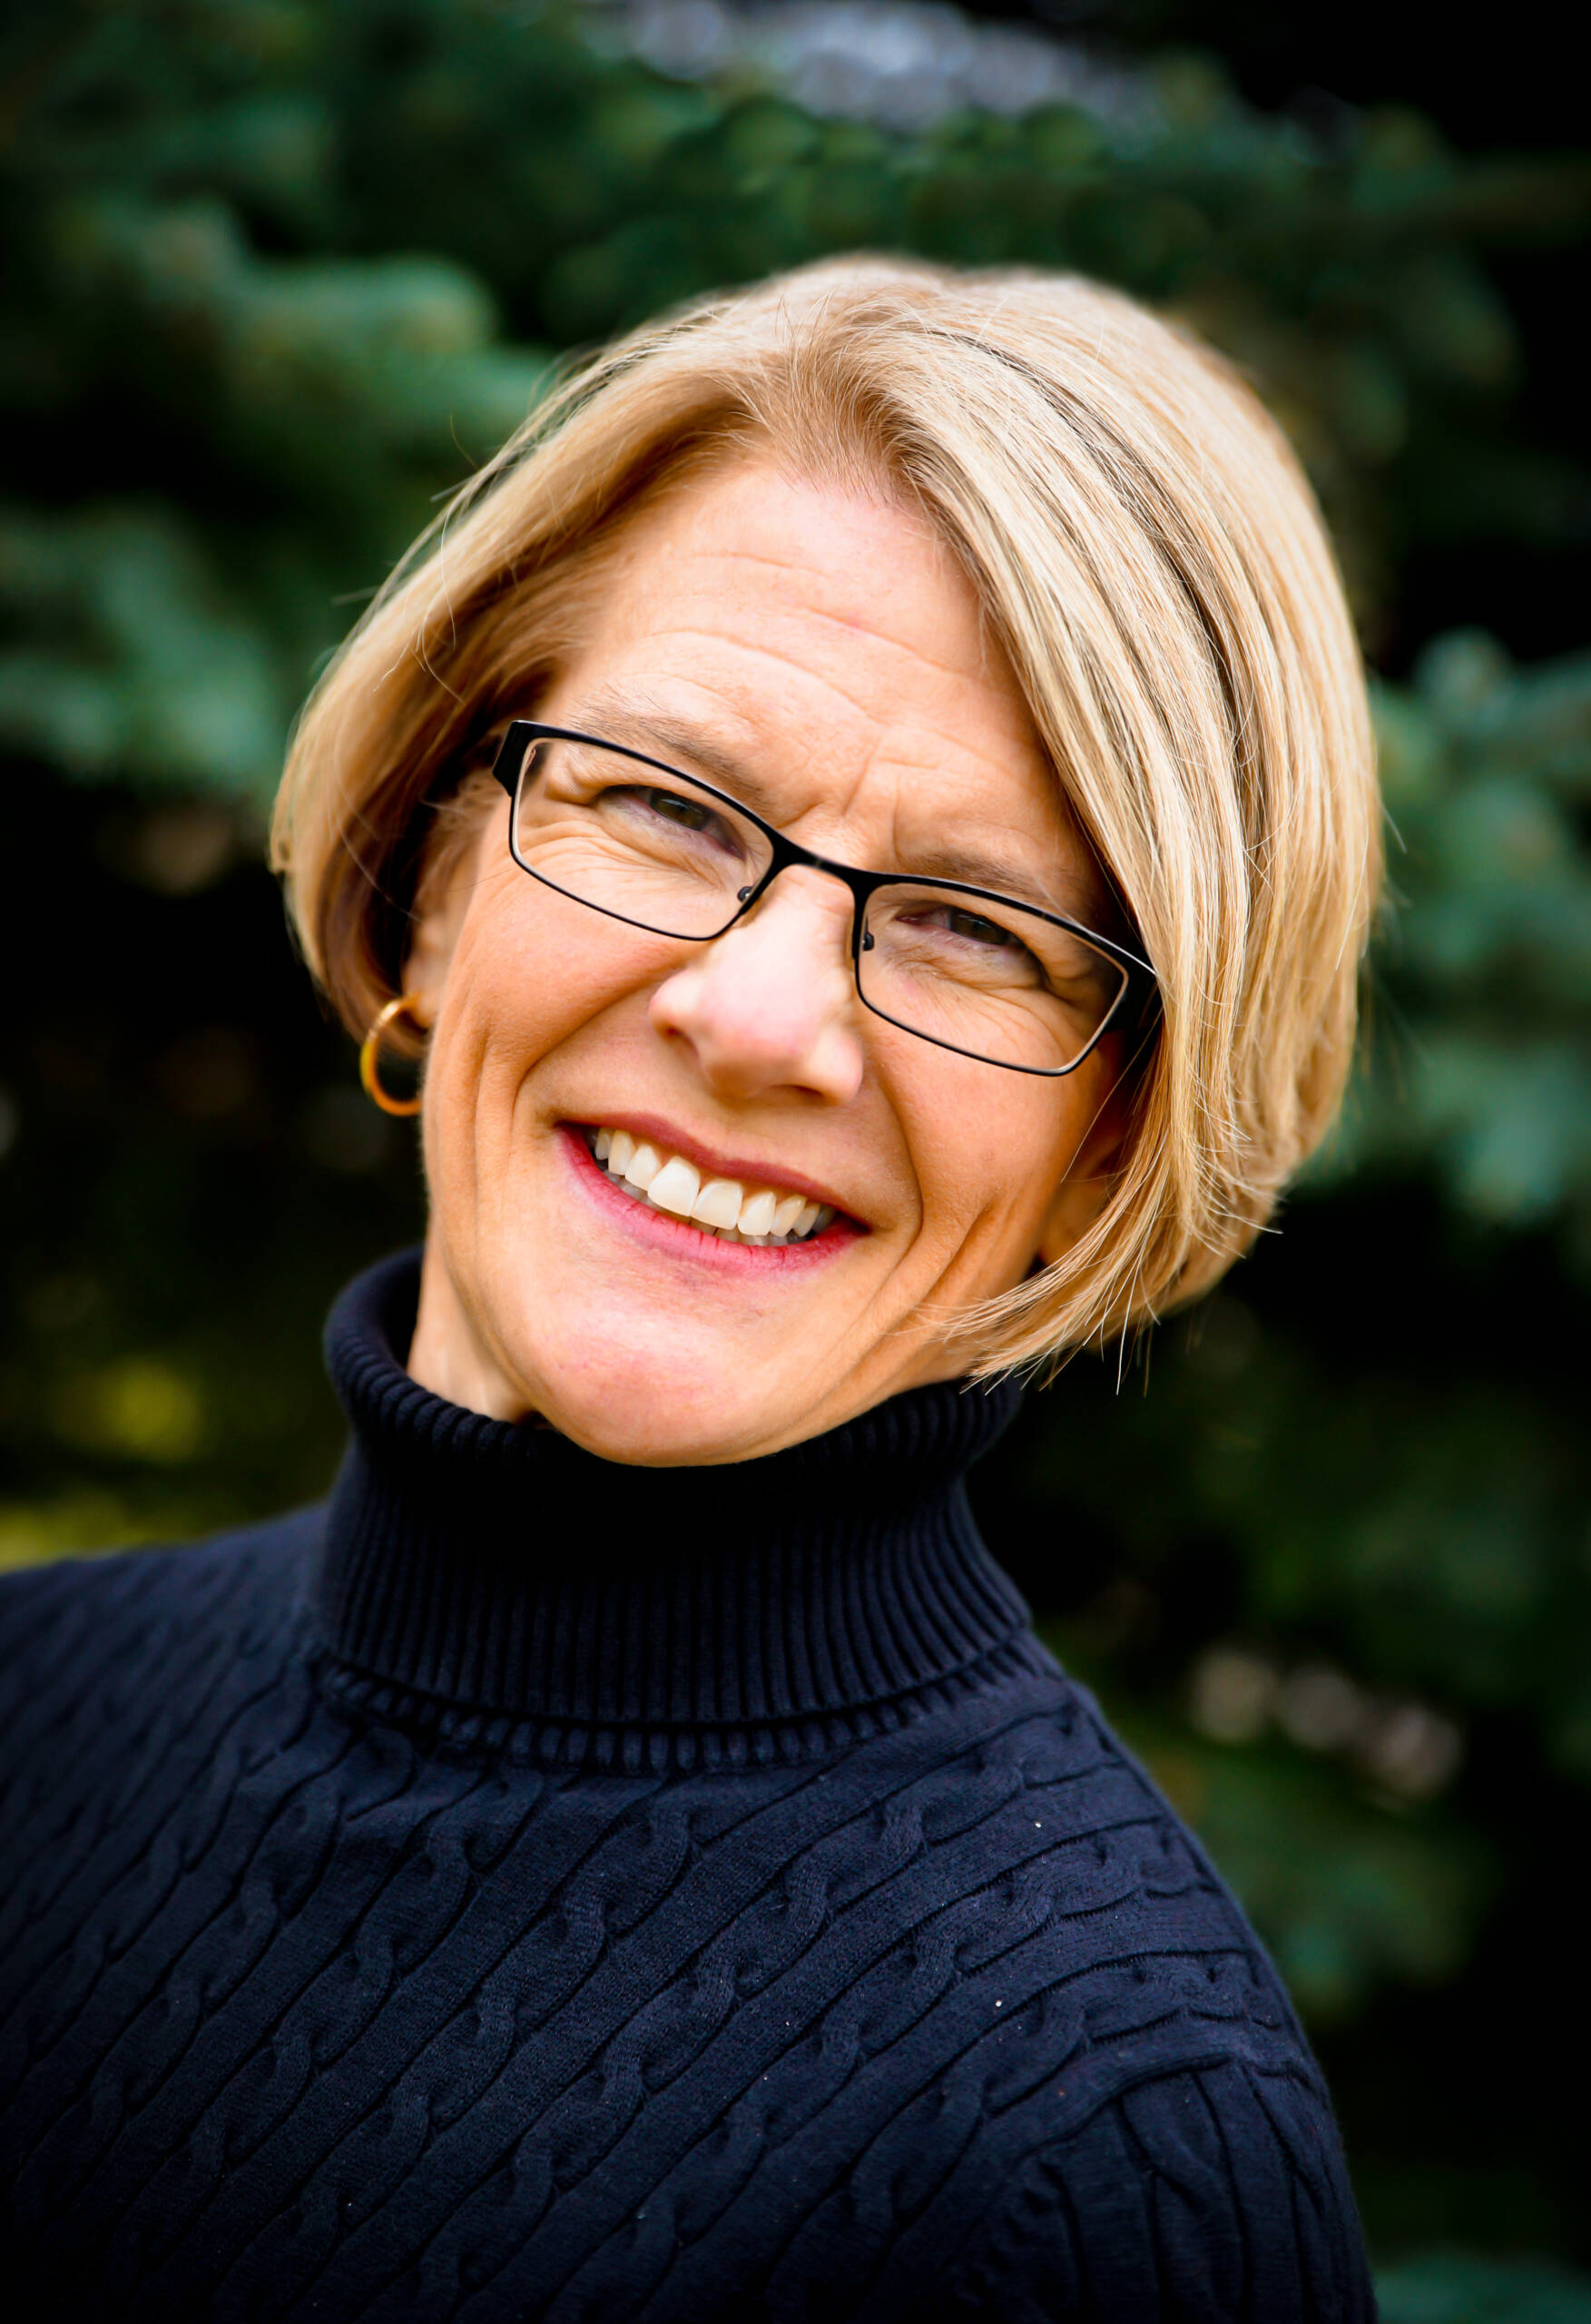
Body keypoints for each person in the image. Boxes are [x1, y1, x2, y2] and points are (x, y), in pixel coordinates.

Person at [0, 258, 1380, 2319]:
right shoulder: (30, 1708)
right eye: (660, 805)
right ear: (439, 874)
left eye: (977, 930)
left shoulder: (1104, 2150)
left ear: (1111, 1130)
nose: (757, 1022)